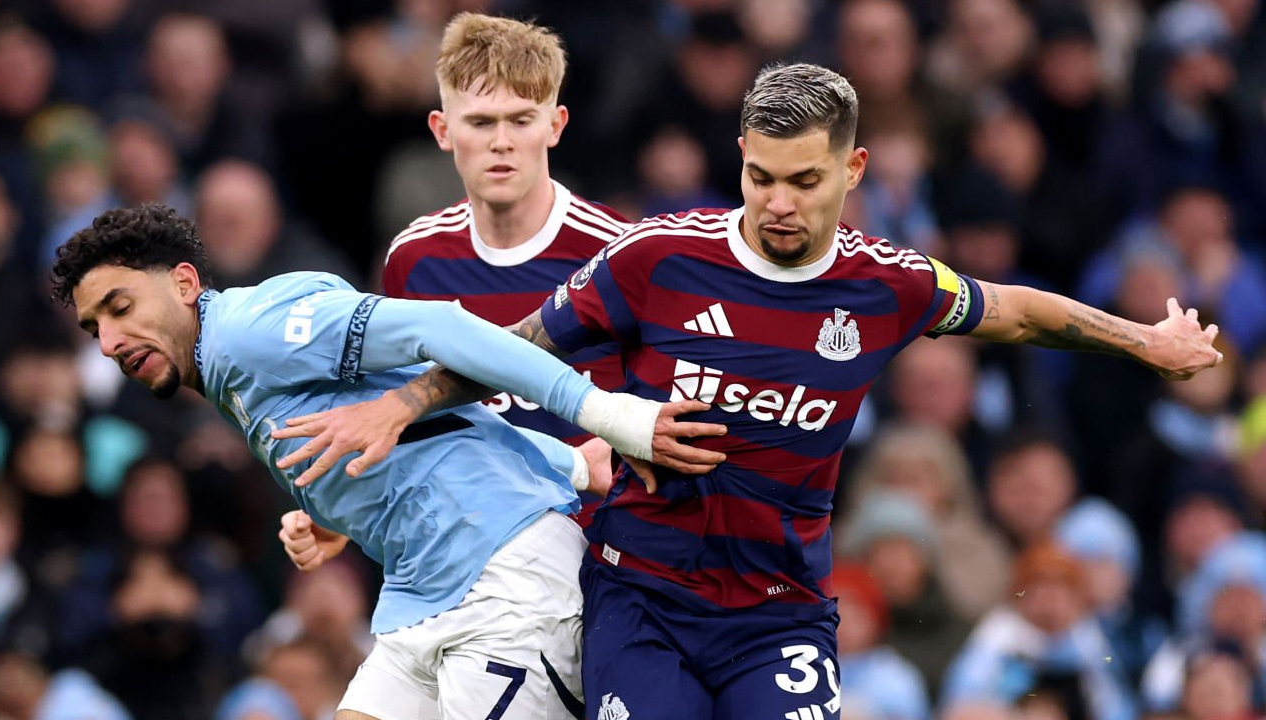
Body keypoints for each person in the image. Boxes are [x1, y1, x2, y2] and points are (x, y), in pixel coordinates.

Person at [276, 63, 1221, 719]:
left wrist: (1143, 337)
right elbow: (511, 354)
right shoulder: (656, 258)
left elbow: (1013, 310)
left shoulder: (889, 282)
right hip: (640, 597)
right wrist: (399, 411)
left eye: (804, 181)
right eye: (759, 176)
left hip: (778, 610)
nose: (776, 202)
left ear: (852, 170)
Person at [49, 203, 725, 720]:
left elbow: (443, 331)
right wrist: (338, 511)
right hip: (421, 595)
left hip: (504, 585)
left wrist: (607, 414)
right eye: (93, 328)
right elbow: (406, 417)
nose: (109, 341)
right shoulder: (223, 368)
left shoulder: (250, 334)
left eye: (120, 307)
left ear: (185, 283)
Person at [383, 12, 631, 448]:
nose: (502, 141)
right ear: (443, 131)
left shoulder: (619, 253)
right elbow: (405, 427)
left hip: (594, 515)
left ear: (555, 125)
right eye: (480, 122)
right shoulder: (414, 258)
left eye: (521, 120)